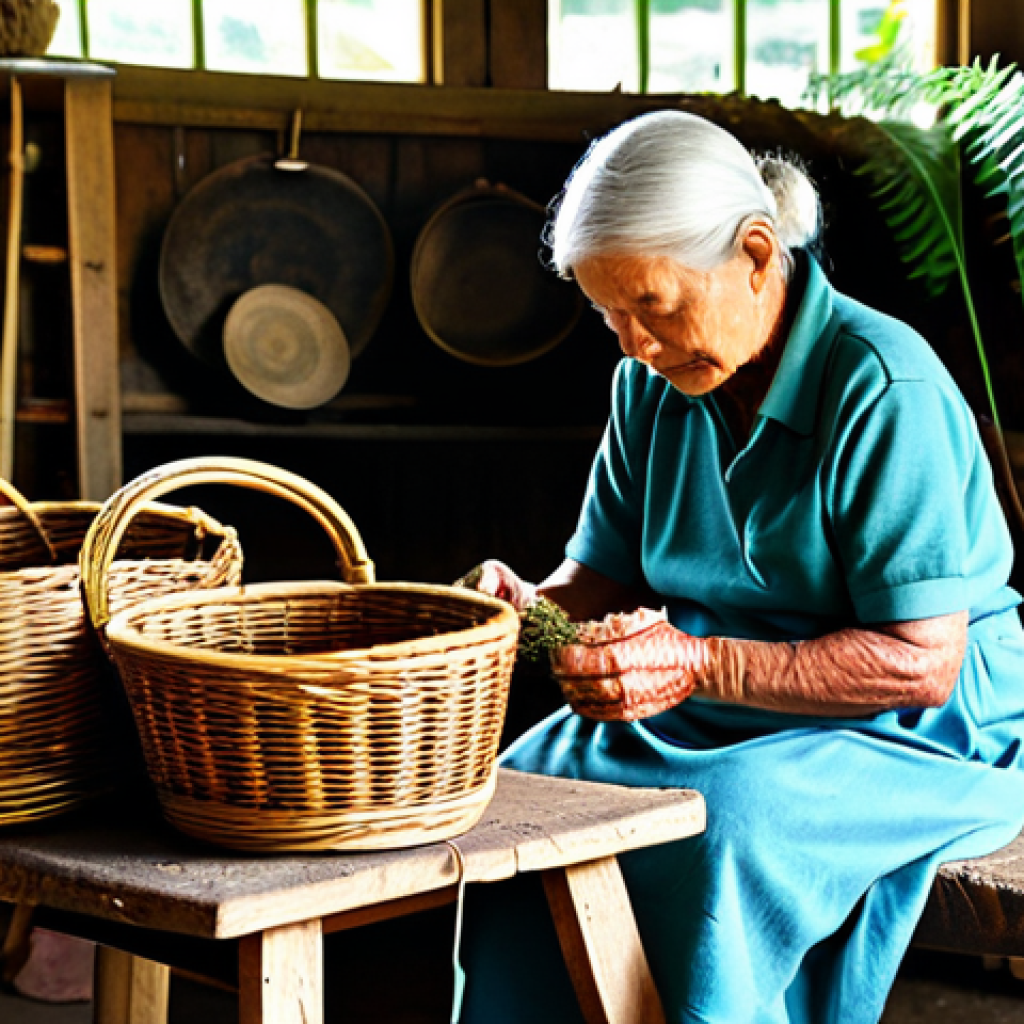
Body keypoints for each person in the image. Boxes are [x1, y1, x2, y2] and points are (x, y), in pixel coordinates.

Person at [456, 109, 1024, 1024]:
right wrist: (519, 607)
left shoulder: (883, 384)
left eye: (656, 306)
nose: (635, 342)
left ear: (756, 255)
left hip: (911, 720)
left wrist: (695, 662)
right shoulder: (651, 380)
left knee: (721, 825)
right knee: (520, 796)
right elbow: (594, 578)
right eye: (611, 315)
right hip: (715, 695)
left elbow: (921, 662)